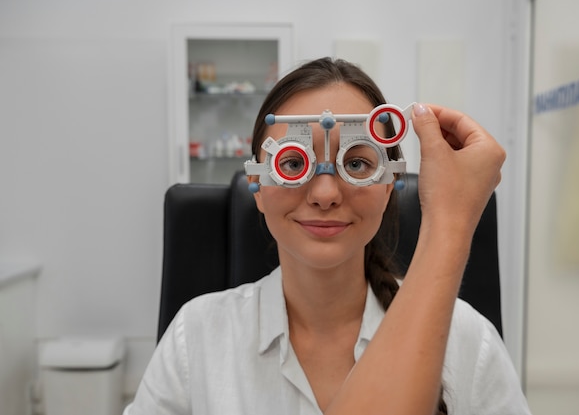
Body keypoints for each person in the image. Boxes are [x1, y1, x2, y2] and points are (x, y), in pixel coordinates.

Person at [124, 57, 531, 415]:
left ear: (389, 184)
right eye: (293, 162)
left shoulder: (466, 340)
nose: (324, 194)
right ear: (257, 185)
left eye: (356, 162)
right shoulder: (195, 336)